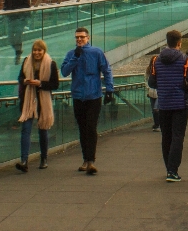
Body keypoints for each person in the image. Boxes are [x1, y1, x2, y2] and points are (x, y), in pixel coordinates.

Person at [61, 27, 115, 175]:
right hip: (78, 96)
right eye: (77, 37)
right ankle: (85, 159)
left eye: (82, 37)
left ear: (88, 38)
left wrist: (109, 89)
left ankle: (91, 160)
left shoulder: (96, 52)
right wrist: (75, 58)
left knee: (91, 127)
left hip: (94, 95)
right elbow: (64, 72)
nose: (79, 40)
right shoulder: (71, 54)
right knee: (82, 128)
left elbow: (106, 70)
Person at [148, 30, 188, 181]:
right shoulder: (186, 60)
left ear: (166, 42)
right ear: (179, 43)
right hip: (180, 103)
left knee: (166, 137)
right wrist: (186, 90)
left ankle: (168, 168)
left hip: (163, 104)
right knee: (178, 137)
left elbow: (152, 82)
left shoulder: (156, 60)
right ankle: (173, 170)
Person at [16, 39, 60, 172]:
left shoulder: (50, 64)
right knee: (26, 129)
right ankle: (24, 160)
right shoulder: (26, 61)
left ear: (44, 51)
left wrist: (40, 83)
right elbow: (20, 78)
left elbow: (55, 84)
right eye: (35, 50)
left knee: (43, 129)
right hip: (28, 101)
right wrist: (25, 81)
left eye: (39, 50)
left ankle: (44, 159)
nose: (36, 53)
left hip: (42, 100)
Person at [3, 0, 31, 65]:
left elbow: (27, 5)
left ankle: (18, 54)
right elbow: (6, 5)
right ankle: (18, 50)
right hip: (11, 18)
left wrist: (23, 15)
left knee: (18, 36)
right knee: (10, 37)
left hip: (20, 18)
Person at [145, 56, 160, 131]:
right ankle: (156, 123)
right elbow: (146, 80)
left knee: (156, 108)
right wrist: (148, 89)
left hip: (158, 93)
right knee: (153, 109)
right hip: (151, 92)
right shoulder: (148, 70)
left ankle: (158, 124)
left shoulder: (159, 69)